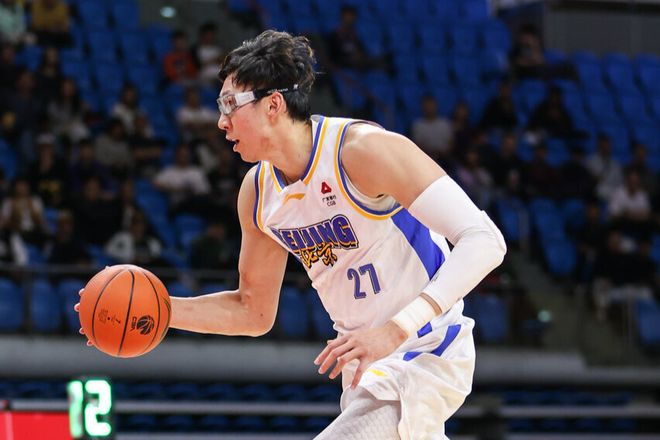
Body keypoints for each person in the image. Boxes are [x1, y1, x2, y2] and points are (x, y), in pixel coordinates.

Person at [76, 31, 506, 438]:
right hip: (364, 367)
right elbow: (253, 312)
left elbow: (484, 240)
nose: (221, 121)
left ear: (273, 105)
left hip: (426, 348)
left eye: (229, 104)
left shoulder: (361, 150)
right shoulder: (258, 193)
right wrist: (160, 310)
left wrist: (397, 329)